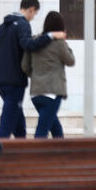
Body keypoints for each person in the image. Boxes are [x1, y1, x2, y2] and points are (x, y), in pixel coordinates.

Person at [0, 0, 66, 138]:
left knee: (18, 121)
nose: (33, 17)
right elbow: (29, 45)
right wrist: (50, 36)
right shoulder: (23, 24)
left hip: (1, 82)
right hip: (14, 83)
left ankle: (21, 149)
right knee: (6, 124)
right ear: (31, 9)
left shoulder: (2, 27)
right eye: (35, 14)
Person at [21, 10, 75, 138]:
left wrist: (36, 76)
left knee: (55, 127)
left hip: (36, 93)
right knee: (42, 130)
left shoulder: (34, 41)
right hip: (52, 93)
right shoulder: (59, 43)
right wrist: (65, 44)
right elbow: (70, 60)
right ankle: (37, 156)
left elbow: (25, 66)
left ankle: (61, 155)